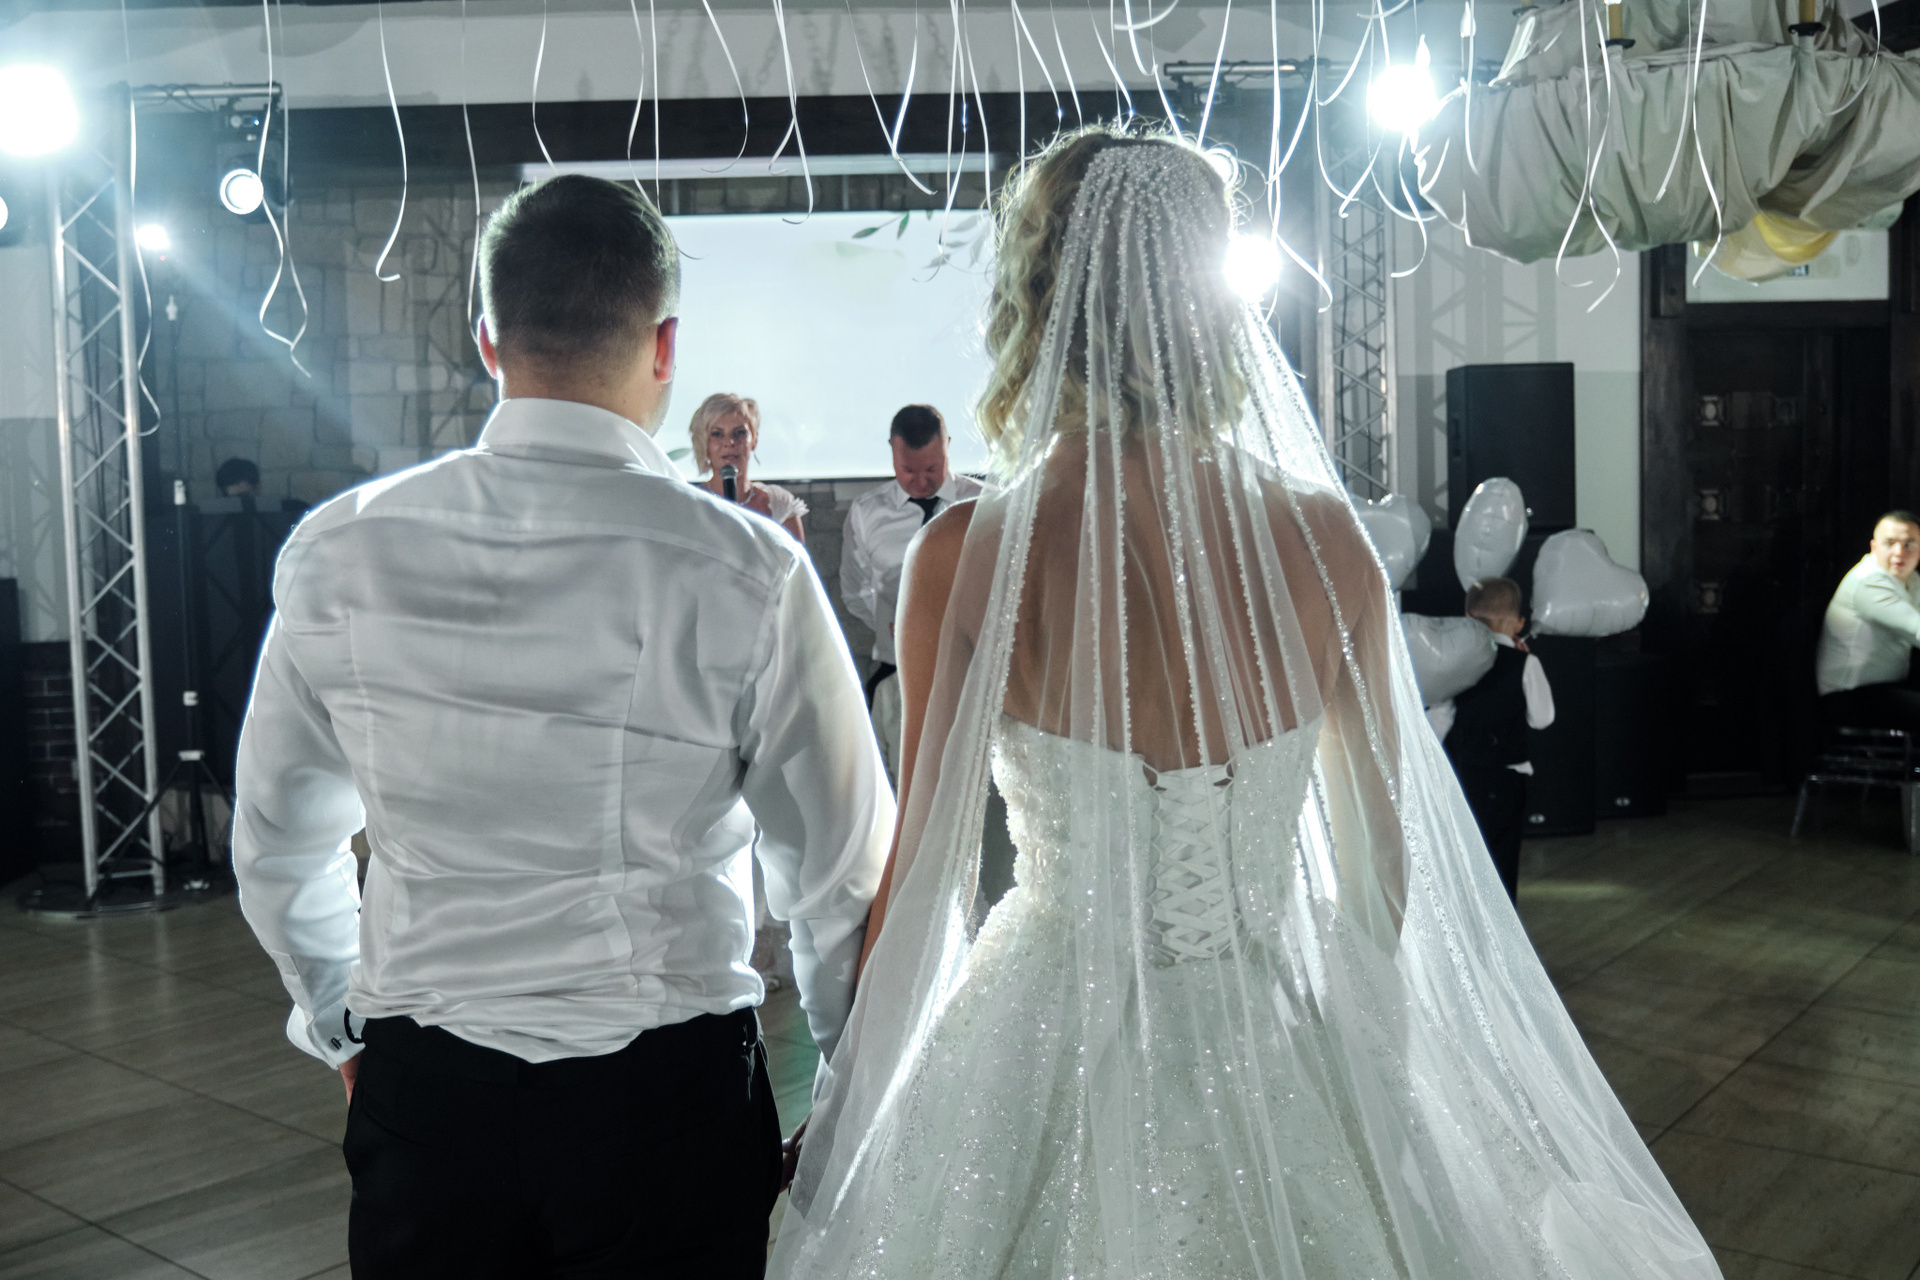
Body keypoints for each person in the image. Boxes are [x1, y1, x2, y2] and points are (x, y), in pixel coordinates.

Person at [771, 128, 1718, 1279]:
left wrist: (856, 1096)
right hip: (1268, 1017)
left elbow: (923, 871)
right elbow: (1380, 863)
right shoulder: (1326, 544)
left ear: (1038, 297)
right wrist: (1370, 1070)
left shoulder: (967, 553)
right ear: (1217, 302)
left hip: (1041, 1018)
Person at [231, 174, 891, 1280]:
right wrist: (842, 1086)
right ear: (666, 346)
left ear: (487, 339)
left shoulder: (339, 549)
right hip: (667, 1105)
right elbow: (838, 873)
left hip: (429, 1101)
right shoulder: (749, 568)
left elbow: (279, 845)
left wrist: (346, 1026)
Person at [840, 404, 984, 779]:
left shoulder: (987, 504)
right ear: (892, 451)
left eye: (932, 469)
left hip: (975, 676)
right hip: (897, 676)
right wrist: (896, 623)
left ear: (947, 445)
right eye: (908, 471)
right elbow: (855, 591)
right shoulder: (866, 512)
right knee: (903, 784)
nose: (920, 482)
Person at [1435, 577, 1556, 902]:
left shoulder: (1457, 662)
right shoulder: (1525, 662)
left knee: (1464, 855)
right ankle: (1502, 925)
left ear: (1468, 618)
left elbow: (1441, 718)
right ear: (1519, 623)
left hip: (1465, 773)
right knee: (1502, 857)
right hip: (1507, 775)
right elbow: (1543, 718)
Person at [1816, 511, 1920, 731]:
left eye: (1909, 544)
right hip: (1849, 696)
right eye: (1890, 543)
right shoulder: (1869, 581)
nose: (1899, 552)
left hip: (1887, 688)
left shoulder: (1912, 579)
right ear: (1874, 547)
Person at [689, 392, 809, 542]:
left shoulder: (779, 504)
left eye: (739, 433)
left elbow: (797, 557)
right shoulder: (690, 504)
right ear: (703, 442)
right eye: (717, 434)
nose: (730, 442)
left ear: (754, 439)